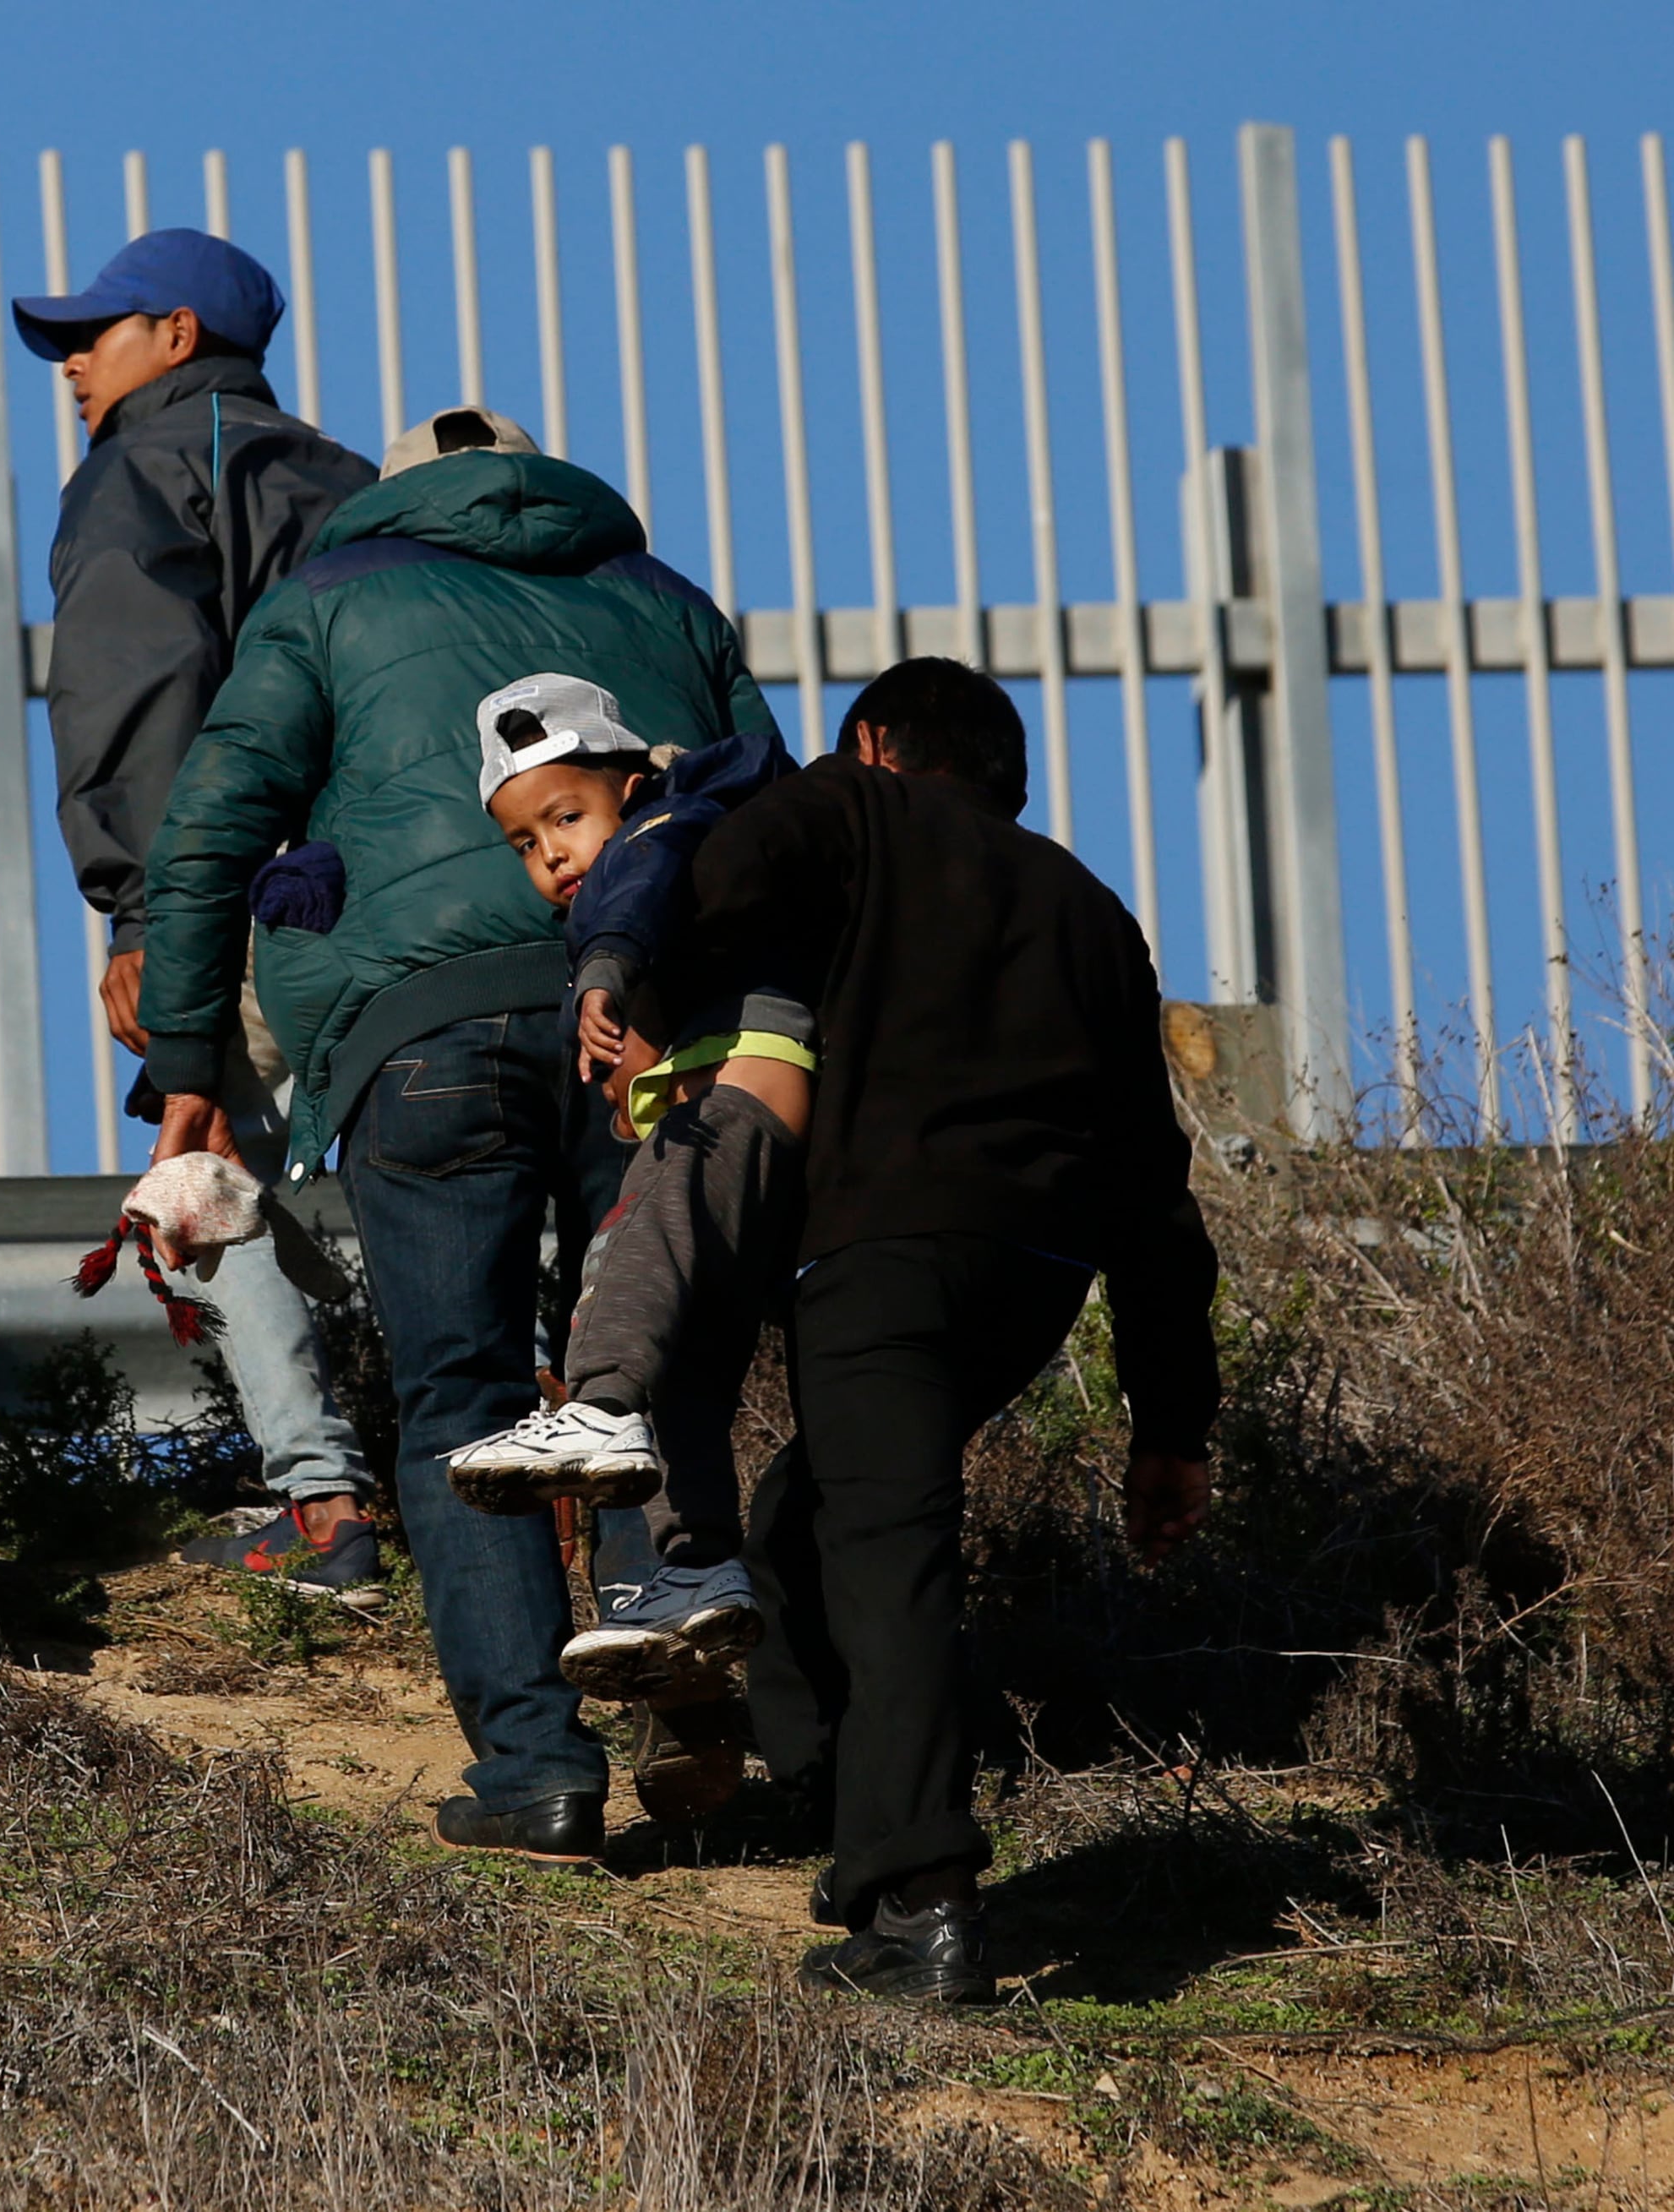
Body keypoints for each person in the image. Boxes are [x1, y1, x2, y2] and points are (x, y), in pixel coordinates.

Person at [141, 405, 781, 1861]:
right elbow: (768, 814)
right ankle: (667, 1641)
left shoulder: (327, 596)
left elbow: (211, 817)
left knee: (460, 1392)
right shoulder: (665, 600)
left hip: (419, 1036)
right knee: (649, 1359)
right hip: (647, 1023)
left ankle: (534, 1769)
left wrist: (188, 1055)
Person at [646, 657, 1218, 2002]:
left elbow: (722, 878)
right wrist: (1172, 1420)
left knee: (886, 1554)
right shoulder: (1091, 909)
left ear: (873, 740)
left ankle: (922, 1906)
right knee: (808, 1511)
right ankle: (830, 1795)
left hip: (882, 1251)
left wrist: (663, 977)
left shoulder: (855, 804)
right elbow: (1151, 1182)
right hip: (1030, 1275)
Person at [10, 229, 383, 1601]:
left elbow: (140, 697)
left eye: (88, 337)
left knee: (205, 1150)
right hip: (388, 892)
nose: (67, 369)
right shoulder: (347, 479)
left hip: (235, 887)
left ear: (174, 334)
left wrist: (138, 914)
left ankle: (321, 1502)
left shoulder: (137, 472)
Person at [444, 671, 809, 1703]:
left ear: (627, 781)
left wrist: (601, 968)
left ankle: (598, 1404)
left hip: (739, 1104)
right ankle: (692, 1571)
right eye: (523, 840)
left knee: (632, 1253)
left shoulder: (664, 823)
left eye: (564, 816)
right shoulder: (647, 853)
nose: (550, 852)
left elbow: (632, 883)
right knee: (685, 1366)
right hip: (726, 1129)